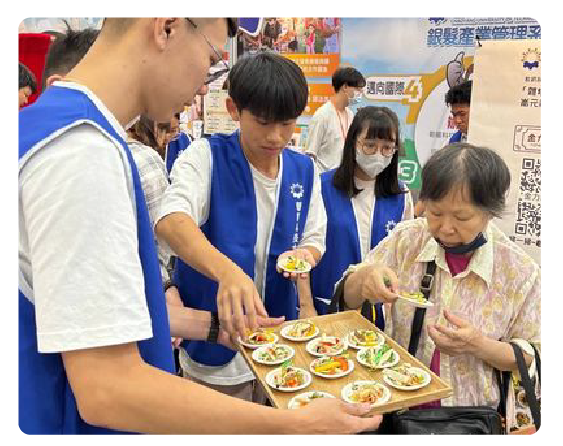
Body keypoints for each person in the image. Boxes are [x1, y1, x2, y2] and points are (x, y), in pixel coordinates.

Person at [18, 17, 381, 435]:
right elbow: (108, 390)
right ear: (167, 28)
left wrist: (212, 326)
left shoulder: (45, 128)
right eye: (210, 59)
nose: (204, 86)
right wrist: (291, 425)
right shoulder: (83, 152)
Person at [155, 51, 328, 400]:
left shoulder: (305, 170)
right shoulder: (207, 156)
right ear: (235, 110)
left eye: (287, 123)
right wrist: (228, 273)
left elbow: (315, 238)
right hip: (216, 344)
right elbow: (170, 220)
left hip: (282, 339)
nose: (277, 136)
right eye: (264, 122)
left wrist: (304, 256)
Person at [336, 143, 540, 410]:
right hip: (397, 407)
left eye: (461, 217)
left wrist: (478, 346)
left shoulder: (518, 270)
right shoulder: (407, 240)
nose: (445, 228)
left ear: (490, 212)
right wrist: (364, 281)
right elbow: (346, 298)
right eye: (435, 213)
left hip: (470, 418)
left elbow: (530, 353)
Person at [307, 107, 414, 321]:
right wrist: (305, 304)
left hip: (378, 313)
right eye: (369, 145)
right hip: (327, 305)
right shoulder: (321, 186)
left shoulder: (401, 196)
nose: (378, 154)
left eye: (387, 148)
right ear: (353, 142)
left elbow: (405, 256)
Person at [414, 80, 473, 217]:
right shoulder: (453, 142)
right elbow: (436, 183)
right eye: (454, 115)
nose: (457, 121)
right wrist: (414, 216)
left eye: (462, 114)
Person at [305, 67, 366, 173]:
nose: (360, 93)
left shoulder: (350, 115)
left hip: (344, 178)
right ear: (345, 87)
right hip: (324, 179)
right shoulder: (322, 115)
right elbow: (310, 154)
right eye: (358, 89)